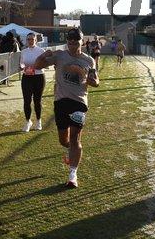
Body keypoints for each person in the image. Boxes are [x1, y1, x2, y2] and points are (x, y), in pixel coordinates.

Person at [34, 27, 99, 188]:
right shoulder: (59, 55)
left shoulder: (89, 60)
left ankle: (73, 175)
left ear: (82, 42)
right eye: (70, 41)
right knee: (64, 141)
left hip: (79, 102)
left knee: (75, 138)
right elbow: (37, 65)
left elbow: (96, 80)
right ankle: (71, 152)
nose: (72, 43)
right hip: (61, 101)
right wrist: (44, 55)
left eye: (76, 41)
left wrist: (92, 81)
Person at [20, 33, 46, 132]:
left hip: (39, 77)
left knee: (37, 100)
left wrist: (37, 66)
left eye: (32, 39)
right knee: (27, 100)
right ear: (26, 40)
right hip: (27, 77)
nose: (30, 41)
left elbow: (45, 64)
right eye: (28, 39)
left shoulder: (41, 51)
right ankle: (28, 121)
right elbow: (22, 63)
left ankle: (39, 121)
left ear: (36, 40)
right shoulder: (23, 51)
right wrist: (22, 67)